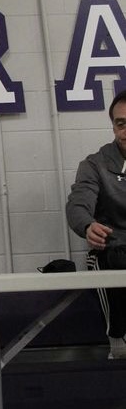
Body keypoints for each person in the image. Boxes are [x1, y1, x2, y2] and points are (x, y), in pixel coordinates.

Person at [66, 89, 126, 360]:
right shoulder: (94, 165)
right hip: (114, 253)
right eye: (120, 123)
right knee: (109, 259)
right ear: (113, 126)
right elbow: (78, 205)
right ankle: (118, 339)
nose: (125, 129)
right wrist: (88, 226)